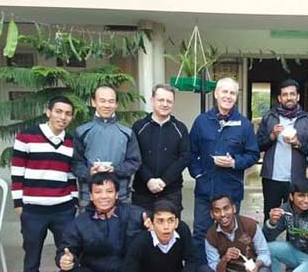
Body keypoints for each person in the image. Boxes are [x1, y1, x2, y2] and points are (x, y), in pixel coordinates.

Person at [11, 96, 78, 272]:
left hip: (63, 209)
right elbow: (17, 172)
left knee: (67, 254)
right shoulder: (26, 137)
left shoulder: (70, 142)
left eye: (68, 114)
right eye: (58, 111)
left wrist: (74, 200)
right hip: (33, 210)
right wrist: (19, 203)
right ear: (48, 111)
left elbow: (71, 175)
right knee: (32, 256)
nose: (63, 117)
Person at [189, 77, 260, 257]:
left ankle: (226, 268)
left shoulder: (244, 125)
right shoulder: (201, 121)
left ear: (236, 97)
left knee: (229, 233)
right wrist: (198, 175)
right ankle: (201, 269)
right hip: (205, 189)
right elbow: (190, 152)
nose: (228, 96)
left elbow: (253, 155)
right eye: (224, 91)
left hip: (231, 190)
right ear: (216, 94)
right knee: (201, 233)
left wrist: (234, 162)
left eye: (232, 93)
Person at [257, 79, 308, 221]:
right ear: (279, 98)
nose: (289, 97)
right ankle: (270, 236)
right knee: (271, 216)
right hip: (272, 178)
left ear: (298, 96)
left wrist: (298, 143)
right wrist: (272, 136)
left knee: (295, 218)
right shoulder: (269, 117)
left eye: (292, 94)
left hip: (296, 179)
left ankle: (293, 237)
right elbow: (257, 145)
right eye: (285, 94)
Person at [72, 85, 141, 205]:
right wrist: (89, 172)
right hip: (89, 197)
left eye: (111, 101)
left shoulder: (127, 132)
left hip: (120, 196)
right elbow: (76, 163)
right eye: (102, 101)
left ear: (116, 104)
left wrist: (115, 170)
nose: (107, 105)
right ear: (94, 102)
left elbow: (134, 162)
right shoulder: (81, 131)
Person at [132, 84, 190, 215]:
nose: (165, 104)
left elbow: (184, 158)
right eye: (161, 100)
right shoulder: (139, 127)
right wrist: (149, 180)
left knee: (171, 227)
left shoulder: (180, 128)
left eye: (169, 101)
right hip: (142, 193)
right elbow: (134, 156)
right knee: (141, 227)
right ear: (152, 100)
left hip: (171, 193)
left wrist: (164, 181)